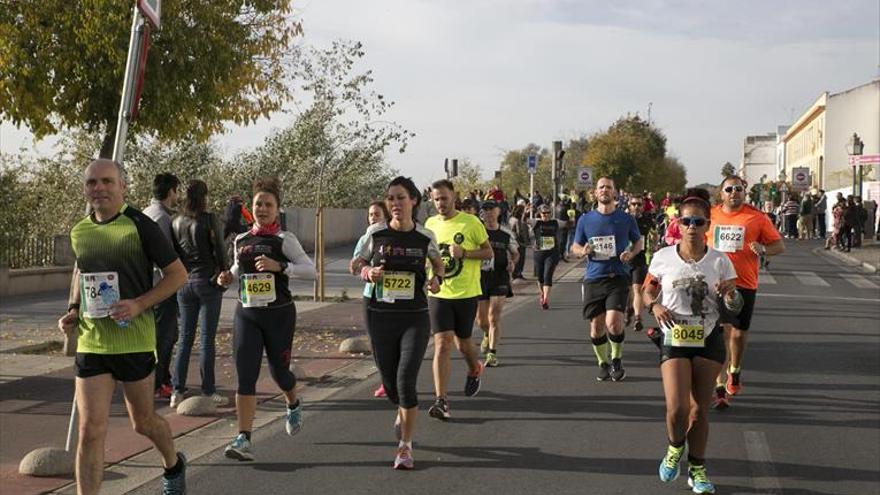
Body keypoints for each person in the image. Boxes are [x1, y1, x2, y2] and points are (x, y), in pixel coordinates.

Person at [57, 159, 188, 494]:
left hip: (134, 340)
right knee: (90, 430)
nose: (98, 188)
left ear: (122, 186)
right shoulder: (80, 231)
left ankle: (172, 463)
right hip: (93, 341)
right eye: (91, 183)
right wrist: (74, 309)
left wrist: (139, 304)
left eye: (106, 182)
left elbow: (177, 275)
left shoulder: (140, 225)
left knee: (142, 422)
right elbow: (82, 274)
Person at [644, 188, 739, 495]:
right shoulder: (662, 258)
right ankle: (674, 448)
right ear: (679, 225)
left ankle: (697, 468)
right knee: (677, 409)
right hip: (675, 337)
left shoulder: (720, 261)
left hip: (708, 337)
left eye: (699, 222)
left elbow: (736, 306)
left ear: (708, 225)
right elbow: (647, 291)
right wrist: (654, 306)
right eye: (687, 221)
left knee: (700, 410)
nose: (692, 227)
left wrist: (731, 294)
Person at [217, 177, 316, 461]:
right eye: (258, 203)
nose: (262, 209)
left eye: (268, 204)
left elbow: (312, 271)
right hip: (247, 314)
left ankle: (293, 402)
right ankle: (243, 438)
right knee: (245, 376)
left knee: (279, 373)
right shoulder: (242, 239)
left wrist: (281, 266)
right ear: (252, 207)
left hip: (278, 316)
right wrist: (227, 278)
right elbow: (238, 268)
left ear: (277, 209)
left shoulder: (285, 240)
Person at [351, 176, 444, 470]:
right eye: (390, 198)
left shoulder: (425, 236)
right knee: (391, 385)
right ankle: (401, 411)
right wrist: (367, 273)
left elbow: (438, 263)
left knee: (406, 381)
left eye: (400, 198)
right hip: (381, 317)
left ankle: (405, 446)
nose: (394, 204)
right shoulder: (375, 234)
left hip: (415, 316)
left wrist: (436, 279)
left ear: (413, 200)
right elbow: (355, 263)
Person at [708, 175, 784, 409]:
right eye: (729, 189)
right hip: (715, 283)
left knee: (738, 335)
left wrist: (763, 249)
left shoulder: (757, 217)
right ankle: (719, 388)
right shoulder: (710, 215)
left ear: (744, 192)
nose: (734, 193)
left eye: (738, 189)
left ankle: (735, 369)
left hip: (744, 283)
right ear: (721, 193)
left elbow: (779, 246)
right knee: (721, 335)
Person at [425, 180, 493, 420]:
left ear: (453, 197)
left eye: (444, 198)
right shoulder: (429, 225)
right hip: (439, 293)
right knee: (442, 343)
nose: (441, 203)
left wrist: (465, 253)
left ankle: (475, 368)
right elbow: (429, 258)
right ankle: (441, 400)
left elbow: (488, 252)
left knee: (463, 344)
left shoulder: (471, 222)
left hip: (465, 293)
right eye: (436, 199)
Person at [572, 177, 643, 382]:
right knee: (596, 326)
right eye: (601, 187)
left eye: (608, 187)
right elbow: (575, 246)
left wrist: (631, 252)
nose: (604, 190)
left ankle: (617, 359)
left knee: (614, 322)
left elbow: (638, 241)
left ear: (615, 193)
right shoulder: (585, 220)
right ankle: (603, 363)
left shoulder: (626, 218)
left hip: (618, 276)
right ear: (595, 193)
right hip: (594, 277)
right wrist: (581, 251)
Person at [170, 179, 229, 408]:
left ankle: (177, 390)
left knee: (184, 339)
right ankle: (208, 390)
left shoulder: (175, 220)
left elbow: (174, 253)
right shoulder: (208, 218)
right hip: (207, 282)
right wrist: (223, 273)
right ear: (204, 196)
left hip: (184, 283)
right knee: (206, 339)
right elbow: (221, 251)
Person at [142, 173, 181, 400]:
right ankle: (160, 383)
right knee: (165, 337)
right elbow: (166, 259)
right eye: (177, 191)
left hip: (147, 287)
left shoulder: (147, 213)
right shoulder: (163, 220)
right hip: (161, 288)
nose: (178, 196)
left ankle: (158, 379)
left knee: (161, 335)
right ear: (171, 192)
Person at [349, 200, 391, 398]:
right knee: (376, 340)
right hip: (372, 294)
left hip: (394, 297)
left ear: (386, 216)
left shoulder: (394, 234)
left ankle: (396, 378)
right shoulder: (367, 237)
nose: (373, 218)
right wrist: (366, 270)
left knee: (393, 340)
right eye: (371, 215)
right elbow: (354, 266)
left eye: (377, 214)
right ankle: (386, 380)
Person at [476, 200, 519, 367]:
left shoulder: (506, 233)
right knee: (481, 320)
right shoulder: (477, 231)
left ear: (498, 211)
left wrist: (513, 262)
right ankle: (487, 334)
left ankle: (492, 354)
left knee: (494, 316)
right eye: (485, 210)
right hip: (480, 277)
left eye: (491, 209)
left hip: (500, 277)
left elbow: (515, 253)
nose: (488, 213)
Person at [626, 195, 655, 332]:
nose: (636, 207)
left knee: (637, 289)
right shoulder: (622, 219)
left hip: (640, 259)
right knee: (627, 291)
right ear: (629, 205)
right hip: (623, 259)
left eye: (639, 204)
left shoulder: (647, 220)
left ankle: (638, 318)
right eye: (633, 204)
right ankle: (629, 309)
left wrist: (655, 248)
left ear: (643, 207)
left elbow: (654, 235)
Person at [532, 203, 565, 309]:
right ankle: (542, 294)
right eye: (543, 213)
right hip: (539, 253)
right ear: (540, 214)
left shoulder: (555, 222)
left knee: (548, 275)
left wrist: (572, 217)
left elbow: (568, 223)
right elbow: (523, 220)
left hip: (552, 253)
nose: (546, 215)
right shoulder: (535, 222)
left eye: (548, 213)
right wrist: (527, 210)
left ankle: (546, 299)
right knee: (540, 277)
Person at [508, 203, 530, 280]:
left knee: (514, 257)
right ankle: (518, 273)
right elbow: (519, 232)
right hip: (519, 242)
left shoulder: (511, 219)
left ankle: (515, 273)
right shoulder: (517, 221)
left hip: (512, 241)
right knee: (520, 258)